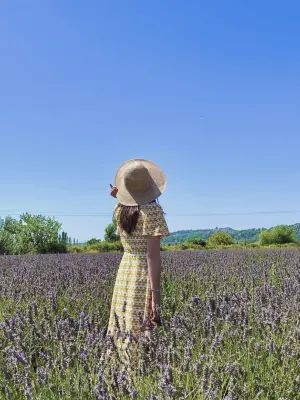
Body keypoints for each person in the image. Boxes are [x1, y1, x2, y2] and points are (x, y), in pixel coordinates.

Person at [107, 159, 169, 346]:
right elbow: (152, 256)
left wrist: (118, 197)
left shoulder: (118, 210)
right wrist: (156, 297)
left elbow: (125, 204)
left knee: (123, 324)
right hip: (142, 274)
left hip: (125, 272)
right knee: (142, 325)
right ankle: (140, 370)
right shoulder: (152, 211)